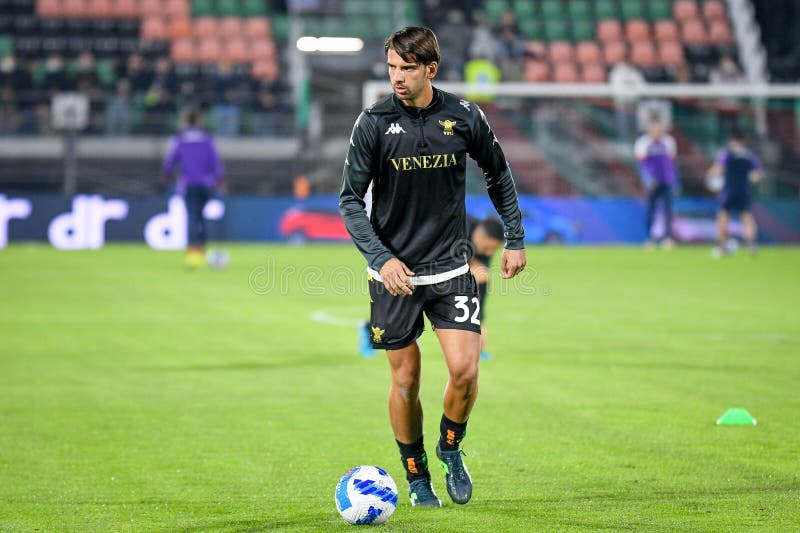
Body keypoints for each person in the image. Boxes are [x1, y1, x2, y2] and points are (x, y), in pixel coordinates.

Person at [339, 26, 526, 508]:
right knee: (405, 382)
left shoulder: (464, 116)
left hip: (450, 266)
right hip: (394, 277)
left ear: (430, 69)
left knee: (464, 371)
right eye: (392, 68)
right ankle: (417, 476)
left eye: (407, 68)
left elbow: (498, 173)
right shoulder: (373, 122)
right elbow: (350, 201)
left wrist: (515, 239)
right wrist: (381, 260)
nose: (397, 77)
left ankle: (450, 447)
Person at [358, 216, 504, 360]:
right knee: (397, 316)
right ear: (480, 235)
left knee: (480, 276)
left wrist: (479, 319)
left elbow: (480, 278)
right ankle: (369, 328)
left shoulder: (483, 248)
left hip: (447, 279)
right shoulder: (458, 225)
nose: (490, 253)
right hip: (420, 266)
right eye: (489, 247)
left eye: (493, 249)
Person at [162, 109, 225, 268]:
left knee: (192, 217)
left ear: (185, 121)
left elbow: (170, 161)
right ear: (198, 121)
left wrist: (167, 175)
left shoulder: (180, 140)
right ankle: (202, 249)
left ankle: (193, 253)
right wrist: (220, 179)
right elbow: (215, 162)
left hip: (188, 184)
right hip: (206, 184)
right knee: (201, 217)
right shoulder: (207, 140)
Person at [706, 128, 763, 257]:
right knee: (747, 217)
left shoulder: (727, 154)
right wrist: (750, 178)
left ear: (732, 140)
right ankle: (752, 245)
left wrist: (710, 177)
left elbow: (718, 169)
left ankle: (720, 246)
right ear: (743, 141)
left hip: (729, 190)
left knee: (723, 217)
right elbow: (758, 175)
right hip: (744, 190)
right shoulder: (750, 155)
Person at [634, 116, 678, 249]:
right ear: (650, 129)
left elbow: (671, 162)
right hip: (651, 183)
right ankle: (649, 238)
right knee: (650, 211)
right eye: (655, 129)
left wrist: (673, 179)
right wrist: (648, 179)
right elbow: (641, 163)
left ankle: (667, 238)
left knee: (668, 211)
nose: (657, 131)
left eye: (659, 129)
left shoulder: (669, 141)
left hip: (666, 181)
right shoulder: (643, 142)